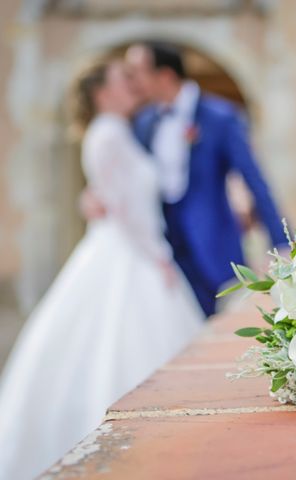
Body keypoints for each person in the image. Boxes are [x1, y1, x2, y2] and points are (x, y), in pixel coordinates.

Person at [0, 58, 204, 480]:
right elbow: (126, 211)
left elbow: (110, 192)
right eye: (122, 80)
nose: (132, 85)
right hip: (129, 249)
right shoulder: (107, 134)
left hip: (130, 245)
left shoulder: (119, 131)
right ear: (101, 92)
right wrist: (157, 256)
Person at [90, 41, 289, 316]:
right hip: (166, 252)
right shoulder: (143, 122)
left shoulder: (221, 117)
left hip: (215, 245)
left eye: (138, 72)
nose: (133, 82)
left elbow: (254, 180)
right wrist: (91, 195)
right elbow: (121, 173)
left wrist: (281, 242)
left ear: (165, 75)